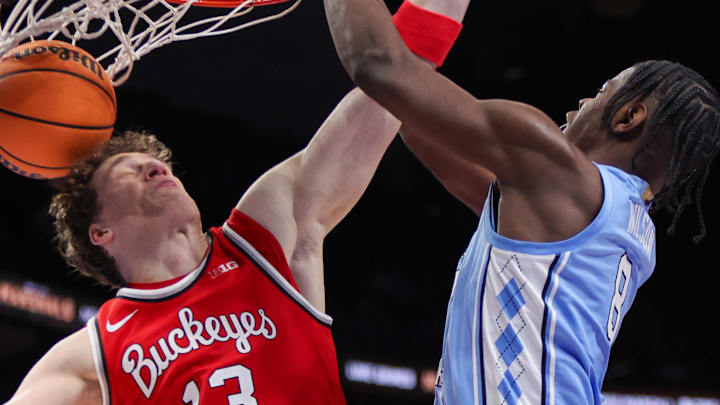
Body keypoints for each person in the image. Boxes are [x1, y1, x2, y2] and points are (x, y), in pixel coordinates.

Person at [2, 0, 473, 403]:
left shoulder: (264, 238)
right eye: (128, 170)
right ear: (100, 232)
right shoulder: (93, 353)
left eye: (158, 163)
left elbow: (390, 86)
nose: (156, 167)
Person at [322, 1, 720, 404]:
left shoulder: (559, 171)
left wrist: (405, 69)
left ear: (628, 117)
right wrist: (432, 19)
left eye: (600, 93)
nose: (577, 105)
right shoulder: (621, 224)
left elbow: (377, 66)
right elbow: (416, 123)